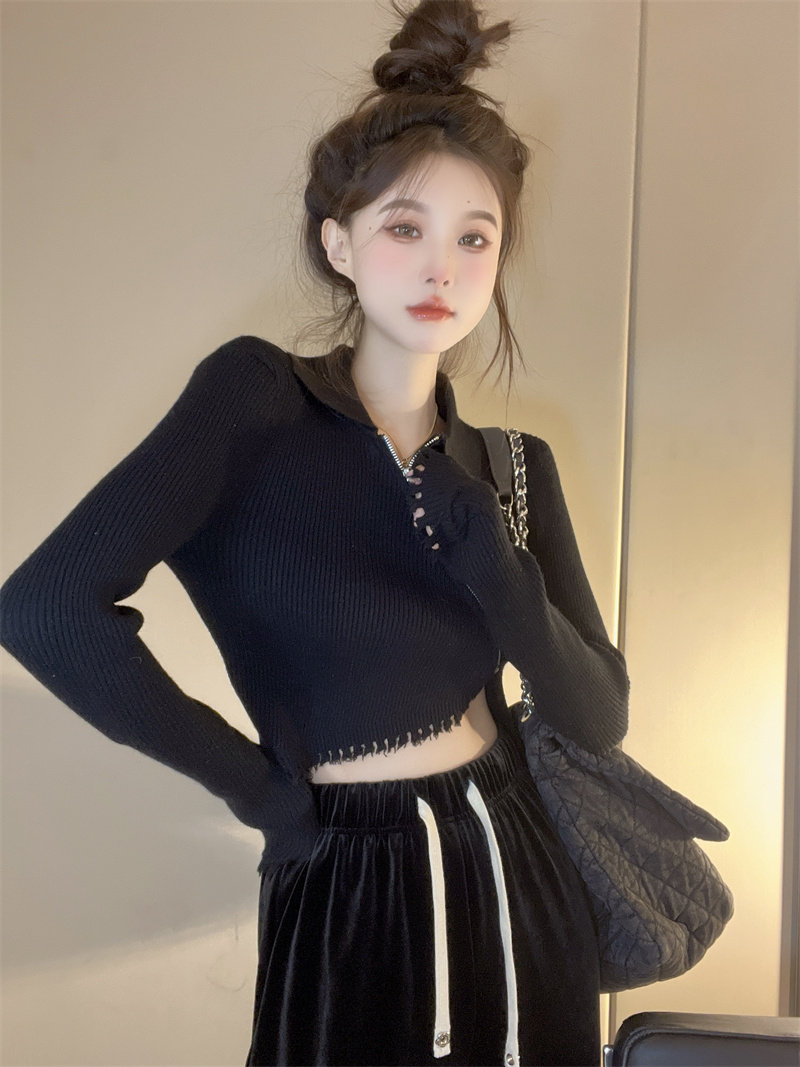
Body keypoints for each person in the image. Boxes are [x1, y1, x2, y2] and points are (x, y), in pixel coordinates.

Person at [0, 1, 630, 1064]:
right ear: (339, 242)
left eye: (474, 238)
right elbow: (44, 609)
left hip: (520, 862)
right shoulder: (254, 400)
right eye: (405, 228)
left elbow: (598, 715)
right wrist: (258, 792)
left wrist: (497, 566)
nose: (441, 268)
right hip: (349, 882)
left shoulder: (514, 465)